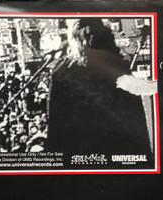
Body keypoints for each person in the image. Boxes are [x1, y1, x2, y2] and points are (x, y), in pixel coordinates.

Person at [47, 18, 151, 157]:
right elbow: (136, 121)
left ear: (74, 39)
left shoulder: (63, 71)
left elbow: (56, 125)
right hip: (116, 150)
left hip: (78, 151)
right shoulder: (119, 68)